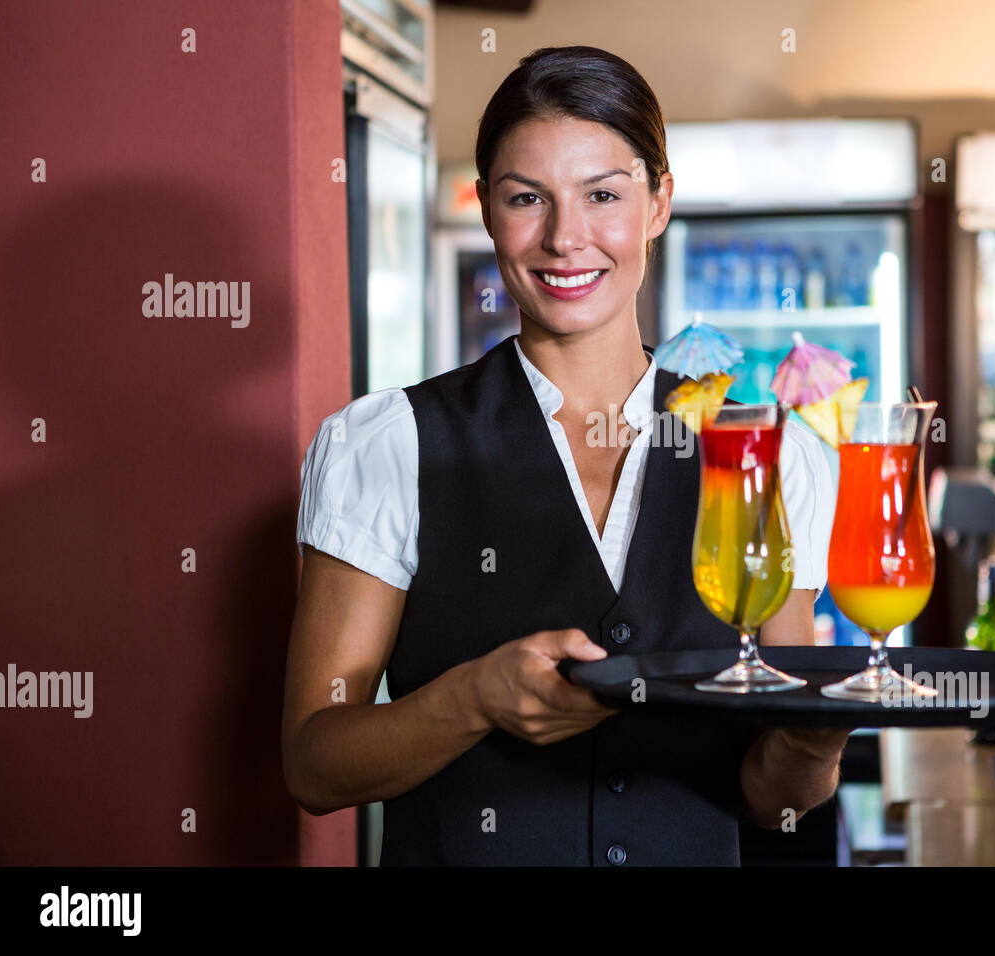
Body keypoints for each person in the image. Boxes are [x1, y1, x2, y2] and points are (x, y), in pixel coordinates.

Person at [282, 45, 847, 866]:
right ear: (487, 211)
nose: (564, 238)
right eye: (526, 199)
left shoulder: (764, 452)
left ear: (658, 203)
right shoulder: (388, 444)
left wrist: (817, 740)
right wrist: (473, 698)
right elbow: (314, 763)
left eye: (604, 195)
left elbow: (772, 798)